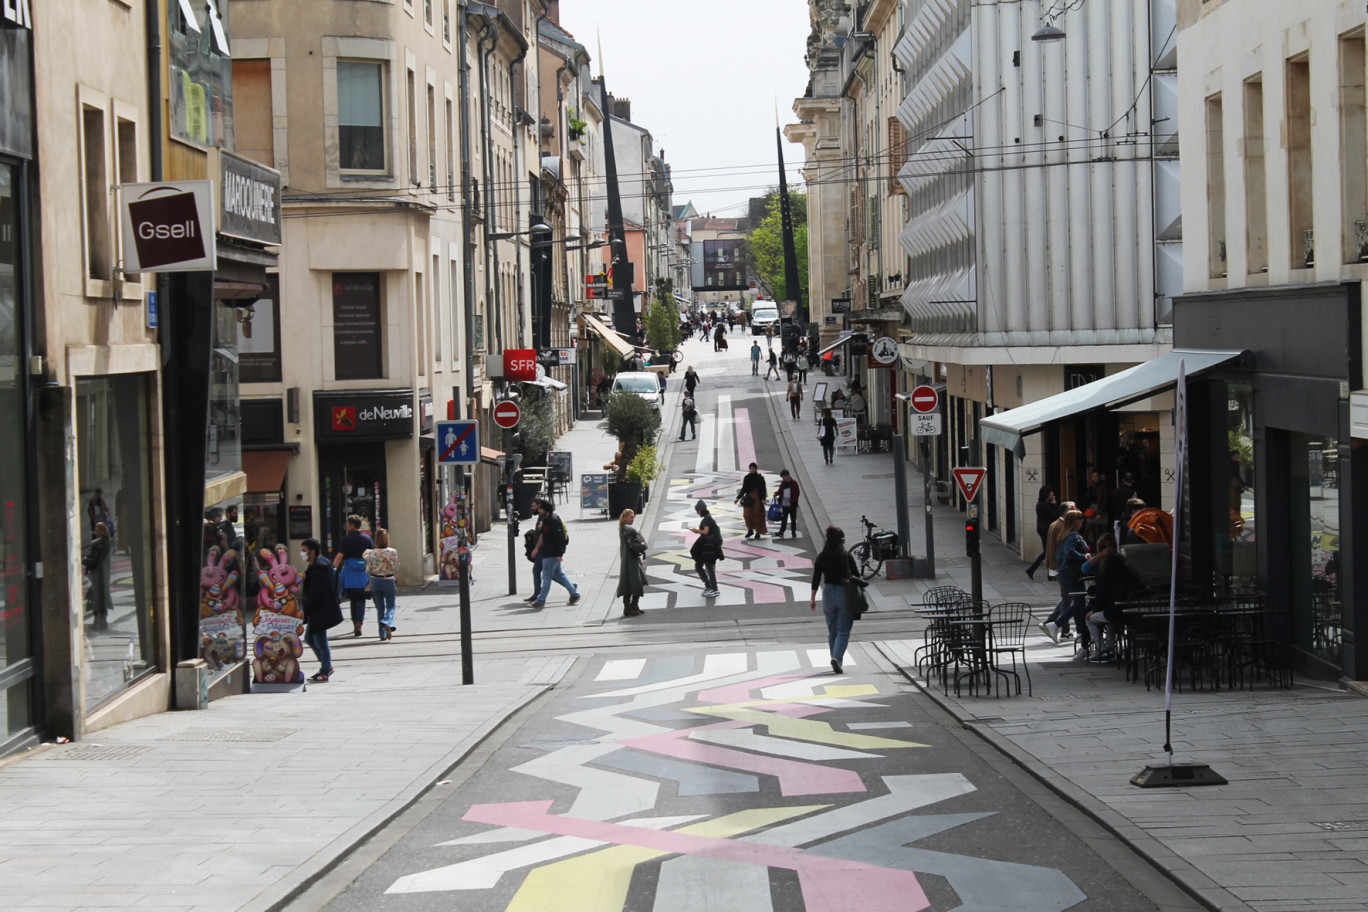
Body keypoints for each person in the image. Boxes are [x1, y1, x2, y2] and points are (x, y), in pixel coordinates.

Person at [1082, 534, 1142, 663]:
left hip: (1113, 611)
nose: (1108, 549)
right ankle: (1110, 648)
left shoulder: (1106, 575)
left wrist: (1095, 610)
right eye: (1105, 547)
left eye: (1111, 547)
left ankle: (1103, 649)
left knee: (1090, 619)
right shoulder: (1129, 574)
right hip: (1130, 612)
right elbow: (1085, 568)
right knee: (1109, 622)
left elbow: (1101, 595)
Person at [809, 525, 861, 674]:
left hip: (828, 594)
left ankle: (835, 658)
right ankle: (837, 658)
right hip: (844, 593)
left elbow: (816, 579)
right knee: (843, 630)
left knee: (832, 631)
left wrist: (813, 599)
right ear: (841, 540)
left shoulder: (821, 556)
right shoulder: (846, 555)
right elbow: (857, 575)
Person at [1050, 510, 1093, 655]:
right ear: (1074, 521)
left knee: (1079, 602)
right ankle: (1056, 624)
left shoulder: (1066, 535)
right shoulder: (1072, 535)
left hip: (1070, 573)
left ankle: (1080, 632)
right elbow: (1070, 552)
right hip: (1073, 574)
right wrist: (1085, 556)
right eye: (1080, 518)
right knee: (1079, 603)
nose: (1083, 521)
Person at [300, 537, 342, 682]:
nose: (302, 553)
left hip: (320, 610)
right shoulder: (319, 564)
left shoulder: (318, 568)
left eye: (304, 551)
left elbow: (315, 593)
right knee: (310, 638)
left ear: (312, 552)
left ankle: (325, 670)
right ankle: (326, 666)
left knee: (320, 640)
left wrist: (306, 610)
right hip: (320, 609)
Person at [528, 497, 581, 608]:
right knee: (559, 575)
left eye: (540, 509)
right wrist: (542, 529)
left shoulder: (553, 520)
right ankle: (574, 593)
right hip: (549, 553)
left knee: (546, 578)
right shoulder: (547, 520)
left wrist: (559, 554)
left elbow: (558, 538)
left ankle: (540, 600)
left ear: (545, 509)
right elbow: (547, 535)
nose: (539, 511)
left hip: (551, 554)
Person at [333, 515, 373, 638]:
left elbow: (339, 556)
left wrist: (333, 569)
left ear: (351, 525)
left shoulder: (346, 539)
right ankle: (359, 622)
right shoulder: (367, 539)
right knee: (361, 599)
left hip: (350, 574)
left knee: (353, 599)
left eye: (348, 524)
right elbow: (371, 557)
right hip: (363, 574)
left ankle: (354, 621)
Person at [364, 527, 400, 641]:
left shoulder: (371, 553)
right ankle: (388, 621)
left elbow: (368, 570)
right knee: (391, 605)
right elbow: (396, 567)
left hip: (375, 581)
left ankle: (382, 634)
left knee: (380, 607)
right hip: (388, 580)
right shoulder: (392, 552)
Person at [688, 500, 722, 598]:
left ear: (700, 510)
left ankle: (712, 588)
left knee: (705, 567)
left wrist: (696, 530)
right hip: (710, 547)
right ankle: (710, 586)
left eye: (697, 511)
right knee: (708, 567)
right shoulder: (709, 518)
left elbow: (706, 532)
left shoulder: (706, 519)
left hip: (708, 547)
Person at [616, 509, 647, 617]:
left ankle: (634, 605)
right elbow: (632, 530)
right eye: (631, 517)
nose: (633, 519)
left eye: (633, 517)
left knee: (639, 581)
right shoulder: (624, 528)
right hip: (628, 561)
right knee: (630, 583)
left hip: (633, 558)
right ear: (624, 518)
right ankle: (628, 607)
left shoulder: (625, 528)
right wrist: (638, 533)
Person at [84, 522, 113, 630]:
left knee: (95, 597)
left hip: (97, 573)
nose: (96, 533)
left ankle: (97, 622)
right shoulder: (108, 543)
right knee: (103, 596)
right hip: (105, 573)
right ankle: (103, 621)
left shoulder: (96, 543)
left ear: (102, 531)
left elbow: (91, 557)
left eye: (97, 530)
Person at [1025, 486, 1057, 580]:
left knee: (1048, 552)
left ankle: (1047, 573)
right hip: (1046, 530)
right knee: (1048, 552)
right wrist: (1054, 504)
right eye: (1051, 492)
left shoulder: (1043, 504)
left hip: (1043, 529)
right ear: (1047, 494)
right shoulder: (1043, 505)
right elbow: (1054, 514)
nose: (1053, 494)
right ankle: (1033, 570)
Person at [735, 463, 768, 539]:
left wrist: (763, 499)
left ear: (756, 469)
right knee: (746, 515)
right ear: (749, 469)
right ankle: (750, 529)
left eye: (753, 468)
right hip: (748, 499)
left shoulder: (760, 478)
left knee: (757, 515)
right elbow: (744, 489)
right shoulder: (747, 478)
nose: (752, 469)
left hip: (757, 500)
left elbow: (763, 489)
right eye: (751, 468)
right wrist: (738, 498)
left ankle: (758, 532)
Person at [775, 469, 800, 539]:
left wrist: (791, 502)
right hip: (784, 503)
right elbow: (780, 490)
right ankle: (781, 531)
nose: (783, 479)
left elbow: (796, 494)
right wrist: (776, 493)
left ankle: (793, 531)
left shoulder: (794, 483)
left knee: (793, 518)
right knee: (784, 518)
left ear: (787, 476)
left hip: (792, 505)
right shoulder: (783, 483)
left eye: (783, 477)